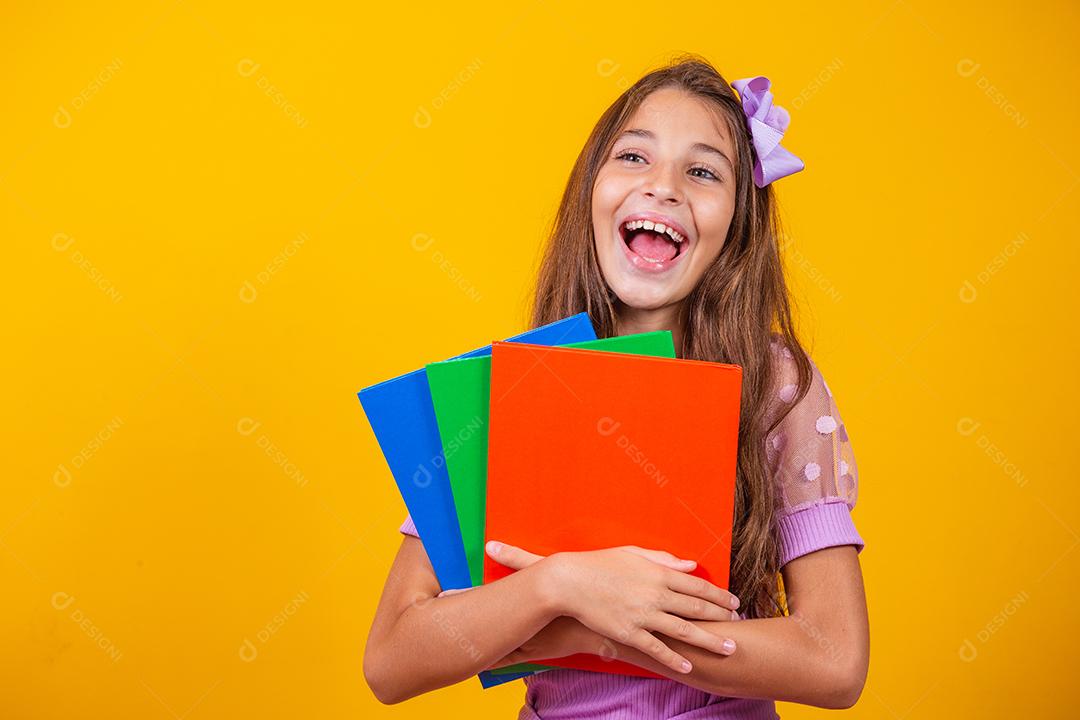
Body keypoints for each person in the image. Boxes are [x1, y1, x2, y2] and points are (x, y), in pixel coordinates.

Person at [364, 54, 869, 718]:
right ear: (590, 191)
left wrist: (603, 627)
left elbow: (835, 662)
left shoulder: (777, 385)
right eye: (634, 157)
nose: (663, 186)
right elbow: (391, 660)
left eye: (702, 171)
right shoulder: (509, 392)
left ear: (737, 226)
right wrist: (560, 585)